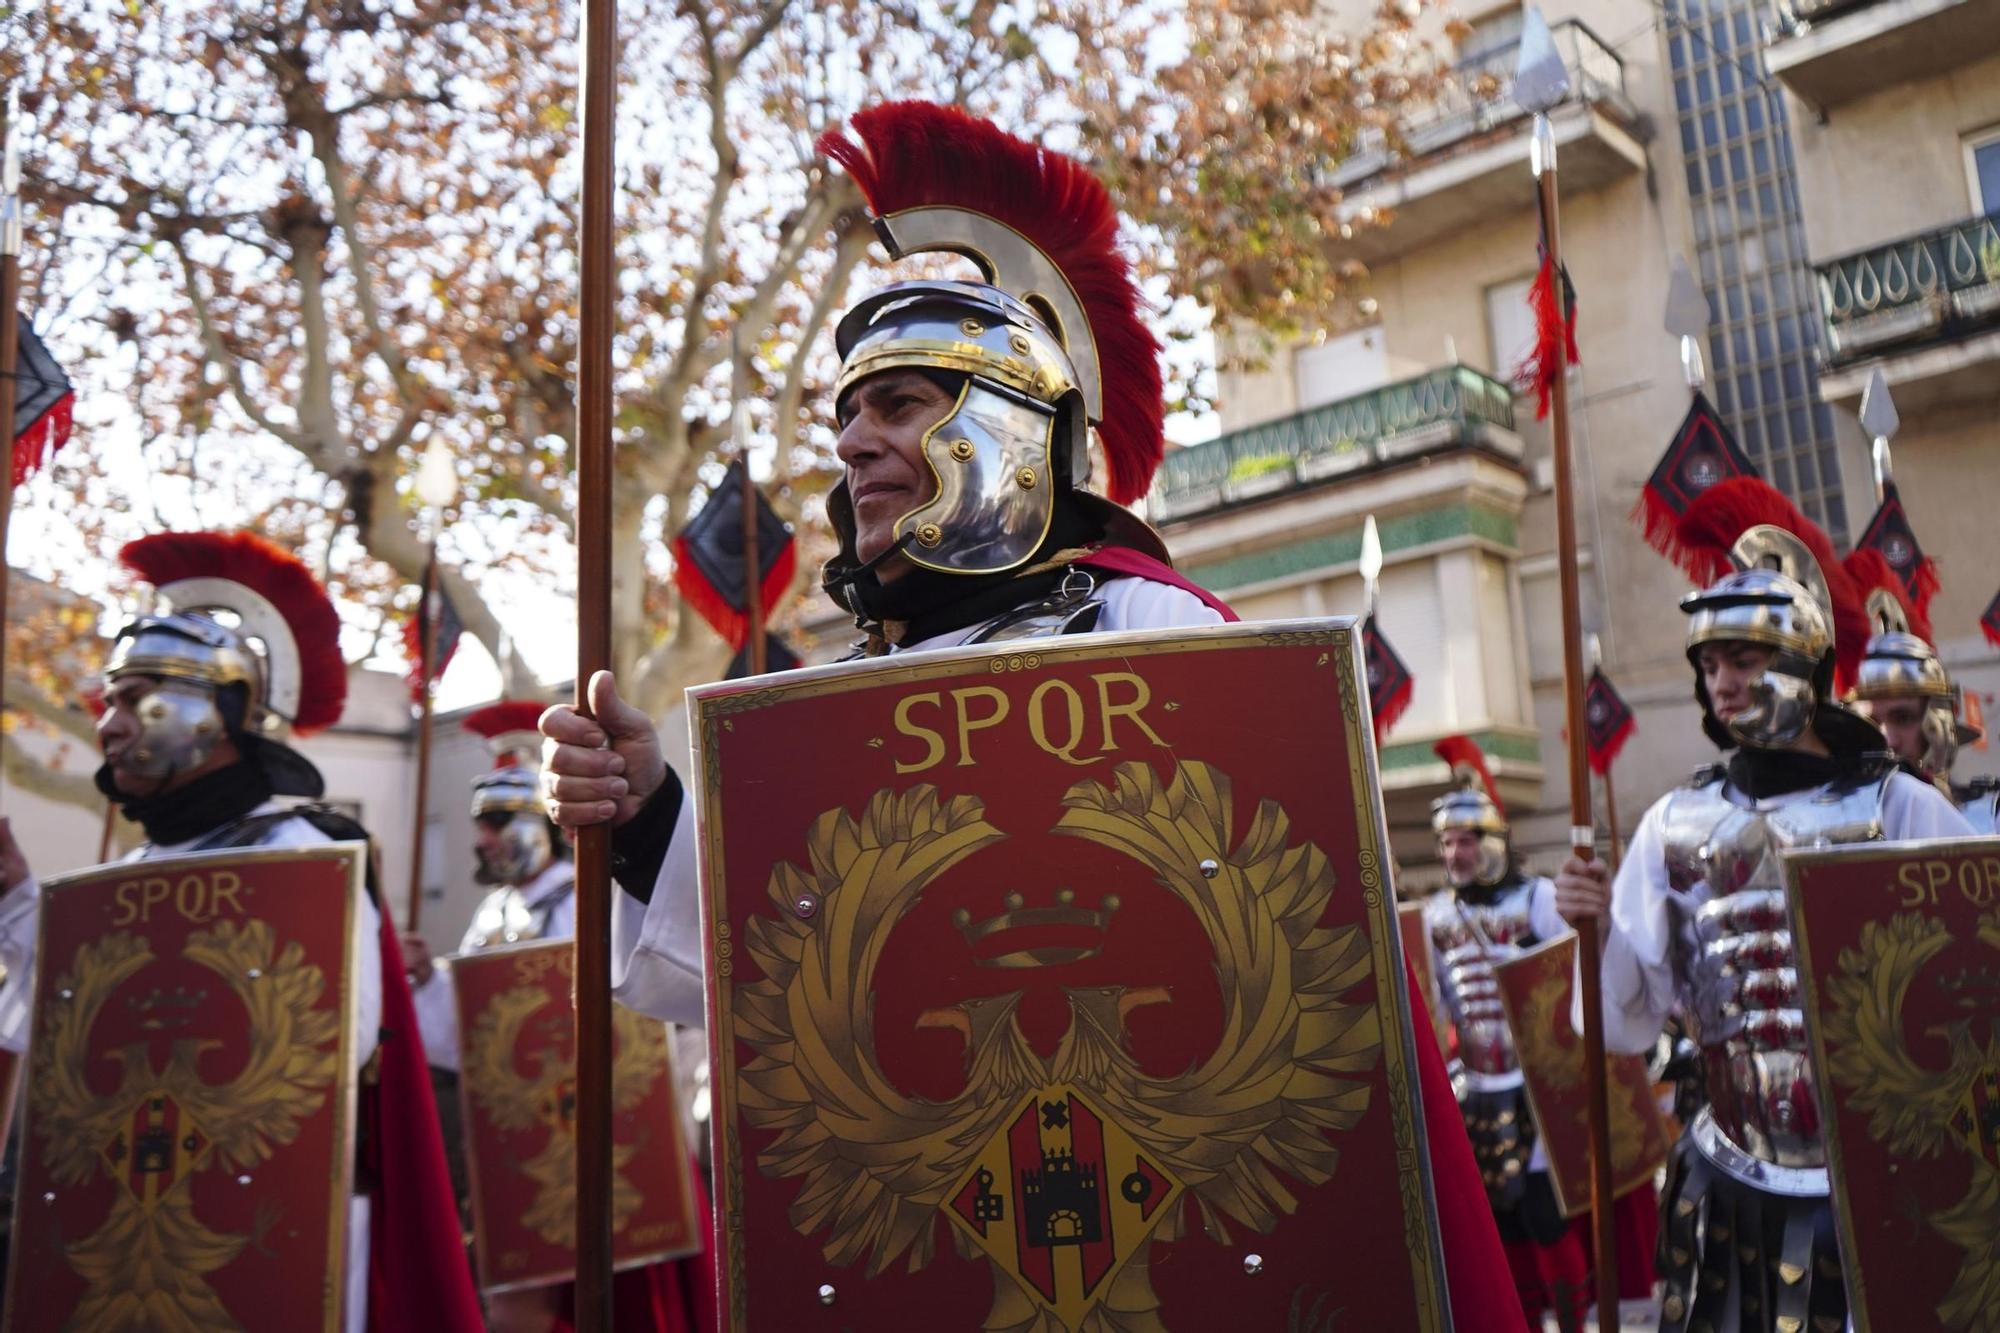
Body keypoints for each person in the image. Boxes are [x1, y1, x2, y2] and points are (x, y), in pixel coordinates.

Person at [542, 100, 1525, 1331]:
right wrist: (646, 817)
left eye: (896, 404)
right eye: (846, 416)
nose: (851, 443)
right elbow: (758, 979)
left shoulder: (1158, 637)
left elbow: (1309, 977)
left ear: (1007, 431)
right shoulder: (826, 699)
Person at [0, 530, 480, 1333]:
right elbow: (63, 1021)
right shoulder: (133, 866)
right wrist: (19, 902)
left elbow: (332, 1045)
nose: (108, 724)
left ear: (217, 713)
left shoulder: (305, 857)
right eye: (110, 699)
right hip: (115, 1236)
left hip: (266, 1239)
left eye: (135, 695)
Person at [1552, 480, 1971, 1333]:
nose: (1722, 686)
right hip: (1732, 1172)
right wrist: (1587, 926)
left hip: (1889, 1165)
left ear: (1801, 667)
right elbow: (1623, 1021)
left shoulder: (1902, 807)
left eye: (1741, 662)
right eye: (1709, 667)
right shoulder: (1675, 822)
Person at [1422, 737, 1655, 1329]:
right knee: (1501, 1224)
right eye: (1447, 843)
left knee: (1545, 1215)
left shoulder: (1541, 899)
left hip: (1539, 1087)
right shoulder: (1436, 917)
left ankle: (1573, 1324)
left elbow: (1579, 982)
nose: (1456, 853)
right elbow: (1439, 1004)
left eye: (1466, 840)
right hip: (1477, 1088)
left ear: (1494, 843)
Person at [1843, 585, 2000, 832]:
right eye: (1870, 722)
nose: (1888, 739)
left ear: (1939, 724)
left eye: (1903, 718)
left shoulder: (1991, 818)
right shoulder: (1836, 827)